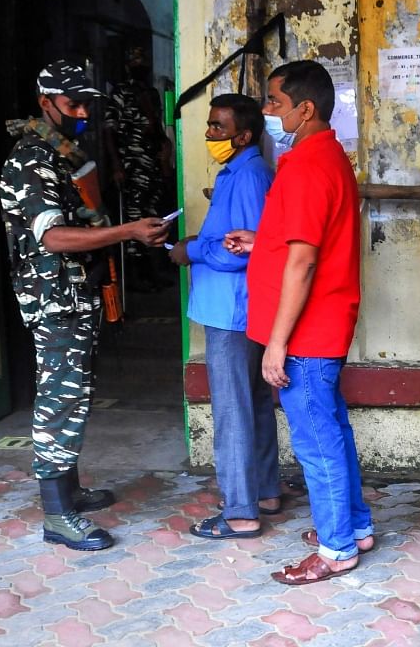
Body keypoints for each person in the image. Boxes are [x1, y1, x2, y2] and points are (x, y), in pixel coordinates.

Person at [0, 59, 169, 550]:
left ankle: (69, 492)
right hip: (53, 300)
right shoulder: (32, 157)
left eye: (86, 105)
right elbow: (52, 237)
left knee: (74, 394)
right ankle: (56, 516)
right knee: (59, 398)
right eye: (72, 104)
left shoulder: (61, 154)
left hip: (72, 294)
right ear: (45, 102)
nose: (80, 113)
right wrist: (127, 231)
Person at [223, 60, 373, 584]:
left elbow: (305, 261)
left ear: (304, 109)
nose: (266, 111)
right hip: (321, 327)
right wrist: (258, 240)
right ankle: (354, 526)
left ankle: (337, 549)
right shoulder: (321, 156)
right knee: (330, 429)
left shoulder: (310, 165)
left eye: (273, 103)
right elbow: (296, 240)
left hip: (308, 334)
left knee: (315, 440)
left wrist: (275, 344)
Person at [171, 94, 279, 540]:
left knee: (233, 409)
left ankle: (239, 512)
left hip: (233, 307)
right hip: (240, 306)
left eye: (217, 127)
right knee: (253, 402)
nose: (210, 134)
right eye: (210, 125)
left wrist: (190, 250)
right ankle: (266, 492)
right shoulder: (239, 172)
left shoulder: (248, 176)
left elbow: (246, 250)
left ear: (244, 135)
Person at [109, 46, 173, 291]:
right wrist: (116, 165)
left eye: (142, 63)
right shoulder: (120, 93)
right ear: (127, 66)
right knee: (134, 217)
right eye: (135, 62)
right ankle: (137, 278)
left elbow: (155, 127)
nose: (140, 67)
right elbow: (109, 131)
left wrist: (164, 153)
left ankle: (153, 272)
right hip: (131, 165)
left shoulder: (152, 94)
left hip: (152, 166)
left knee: (154, 215)